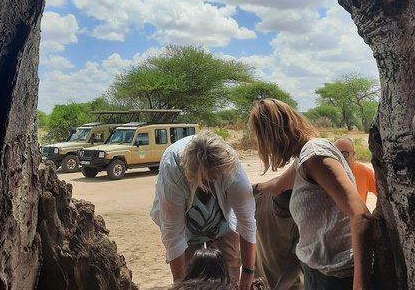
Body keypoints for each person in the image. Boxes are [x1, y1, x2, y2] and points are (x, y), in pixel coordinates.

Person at [249, 99, 374, 290]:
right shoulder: (303, 158)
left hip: (337, 275)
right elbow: (277, 185)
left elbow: (361, 215)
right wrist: (252, 188)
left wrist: (360, 284)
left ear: (272, 136)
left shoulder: (315, 155)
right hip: (316, 271)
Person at [150, 130, 256, 290]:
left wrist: (248, 273)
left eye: (217, 177)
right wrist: (181, 284)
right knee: (191, 276)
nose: (214, 180)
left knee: (229, 274)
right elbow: (174, 234)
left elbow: (247, 221)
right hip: (187, 226)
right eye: (209, 178)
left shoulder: (230, 166)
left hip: (222, 222)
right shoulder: (174, 170)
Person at [253, 189, 303, 290]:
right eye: (277, 206)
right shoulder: (261, 197)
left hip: (291, 285)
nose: (279, 211)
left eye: (286, 211)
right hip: (261, 281)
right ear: (275, 193)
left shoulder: (302, 221)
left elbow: (295, 263)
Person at [334, 137, 377, 203]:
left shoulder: (365, 172)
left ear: (353, 154)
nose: (340, 157)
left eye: (345, 154)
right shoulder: (325, 172)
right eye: (336, 153)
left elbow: (384, 196)